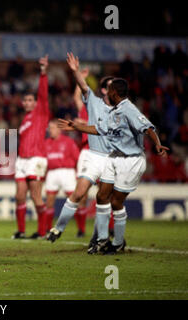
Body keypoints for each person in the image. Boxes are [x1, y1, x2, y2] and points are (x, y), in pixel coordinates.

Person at [58, 75, 169, 254]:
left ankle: (118, 243)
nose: (106, 92)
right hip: (114, 157)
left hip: (130, 160)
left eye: (109, 89)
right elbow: (98, 129)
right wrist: (77, 127)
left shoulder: (129, 110)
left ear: (114, 93)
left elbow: (148, 127)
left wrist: (156, 144)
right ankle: (102, 240)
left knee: (116, 202)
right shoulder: (114, 111)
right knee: (102, 197)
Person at [47, 59, 115, 246]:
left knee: (105, 197)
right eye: (110, 86)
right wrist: (76, 72)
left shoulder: (122, 110)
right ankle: (59, 228)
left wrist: (80, 126)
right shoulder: (94, 104)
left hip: (112, 158)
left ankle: (104, 235)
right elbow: (82, 91)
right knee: (79, 194)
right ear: (103, 90)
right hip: (91, 154)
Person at [13, 55, 50, 239]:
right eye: (25, 100)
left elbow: (43, 93)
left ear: (36, 102)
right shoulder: (25, 119)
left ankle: (42, 231)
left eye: (30, 100)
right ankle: (20, 231)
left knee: (36, 195)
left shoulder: (41, 113)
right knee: (20, 196)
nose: (27, 103)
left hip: (36, 158)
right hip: (22, 159)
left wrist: (43, 72)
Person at [42, 119, 80, 236]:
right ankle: (48, 229)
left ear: (59, 129)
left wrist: (78, 174)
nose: (50, 130)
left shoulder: (69, 142)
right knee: (49, 202)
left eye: (52, 128)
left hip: (67, 172)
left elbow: (77, 158)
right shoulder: (46, 143)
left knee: (73, 200)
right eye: (49, 128)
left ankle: (81, 229)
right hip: (52, 173)